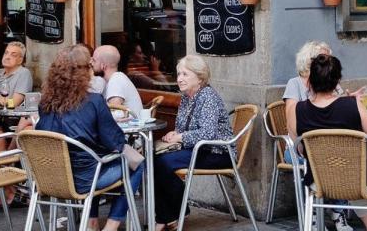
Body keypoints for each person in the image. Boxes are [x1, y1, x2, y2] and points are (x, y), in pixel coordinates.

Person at [36, 45, 144, 231]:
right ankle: (111, 225)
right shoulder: (94, 101)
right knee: (139, 163)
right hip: (86, 179)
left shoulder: (45, 103)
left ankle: (91, 222)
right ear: (85, 72)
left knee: (92, 158)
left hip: (53, 177)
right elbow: (115, 141)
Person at [287, 54, 367, 231]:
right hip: (361, 180)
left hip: (319, 181)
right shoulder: (353, 105)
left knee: (353, 171)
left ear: (309, 81)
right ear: (337, 80)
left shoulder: (298, 110)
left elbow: (300, 149)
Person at [154, 55, 233, 230]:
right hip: (197, 148)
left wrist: (180, 137)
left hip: (218, 152)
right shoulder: (186, 97)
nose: (179, 79)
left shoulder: (208, 96)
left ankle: (166, 217)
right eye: (178, 74)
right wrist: (176, 134)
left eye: (185, 74)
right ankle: (170, 214)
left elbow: (208, 133)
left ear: (199, 77)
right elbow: (184, 128)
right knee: (152, 160)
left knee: (163, 162)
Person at [91, 45, 144, 117]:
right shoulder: (114, 79)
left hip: (130, 127)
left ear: (103, 65)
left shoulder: (116, 80)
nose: (91, 63)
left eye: (94, 60)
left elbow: (112, 115)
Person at [0, 41, 33, 108]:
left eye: (13, 55)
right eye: (6, 53)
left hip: (4, 115)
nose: (7, 57)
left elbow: (14, 103)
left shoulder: (24, 73)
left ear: (20, 60)